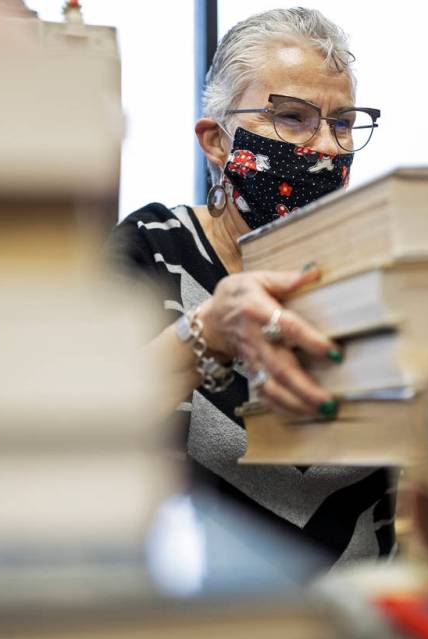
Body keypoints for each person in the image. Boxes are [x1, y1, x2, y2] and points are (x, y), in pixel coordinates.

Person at [108, 8, 395, 566]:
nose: (329, 148)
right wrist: (206, 333)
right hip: (199, 609)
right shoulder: (152, 247)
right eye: (291, 118)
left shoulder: (377, 268)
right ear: (216, 142)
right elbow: (79, 418)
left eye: (341, 122)